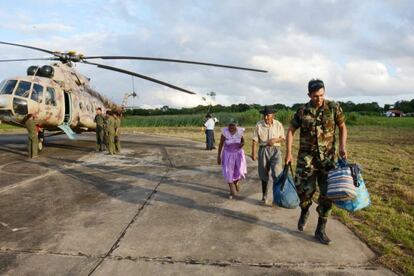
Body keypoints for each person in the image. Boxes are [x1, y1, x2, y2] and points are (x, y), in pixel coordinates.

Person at [285, 79, 347, 245]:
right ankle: (305, 210)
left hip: (328, 160)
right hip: (307, 160)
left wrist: (342, 146)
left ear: (324, 92)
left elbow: (342, 127)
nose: (319, 98)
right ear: (309, 95)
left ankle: (320, 229)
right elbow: (290, 130)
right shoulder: (302, 111)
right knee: (304, 193)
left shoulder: (334, 108)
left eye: (321, 94)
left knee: (327, 195)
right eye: (315, 96)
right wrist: (289, 153)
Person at [252, 106, 285, 205]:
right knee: (263, 173)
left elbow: (283, 138)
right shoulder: (259, 125)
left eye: (268, 115)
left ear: (272, 115)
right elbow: (254, 140)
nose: (266, 117)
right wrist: (253, 153)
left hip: (276, 150)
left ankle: (277, 197)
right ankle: (264, 195)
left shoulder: (278, 124)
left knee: (277, 173)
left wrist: (275, 140)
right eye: (264, 115)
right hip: (263, 150)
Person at [217, 120, 247, 199]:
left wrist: (242, 144)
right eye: (230, 125)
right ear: (228, 126)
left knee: (238, 171)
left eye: (233, 125)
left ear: (236, 125)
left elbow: (243, 141)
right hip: (228, 155)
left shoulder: (240, 132)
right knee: (228, 172)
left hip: (238, 154)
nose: (231, 127)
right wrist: (218, 156)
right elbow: (220, 144)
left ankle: (236, 182)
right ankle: (232, 191)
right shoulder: (224, 133)